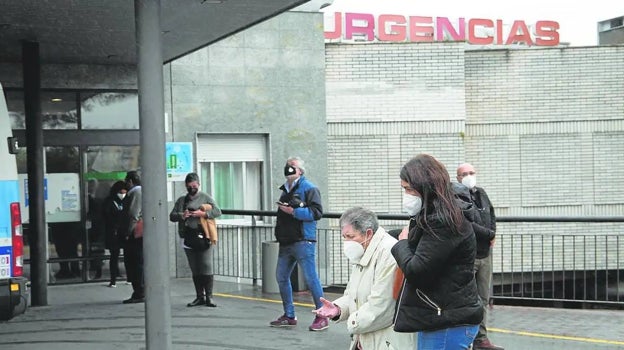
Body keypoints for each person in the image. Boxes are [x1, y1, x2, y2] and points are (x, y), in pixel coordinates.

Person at [391, 154, 483, 350]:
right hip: (442, 317)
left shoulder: (443, 222)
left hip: (447, 321)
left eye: (409, 189)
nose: (406, 195)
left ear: (425, 187)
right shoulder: (435, 215)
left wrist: (401, 244)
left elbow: (418, 271)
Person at [313, 207, 415, 349]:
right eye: (344, 237)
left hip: (387, 342)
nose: (347, 243)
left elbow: (382, 307)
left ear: (368, 233)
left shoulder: (389, 253)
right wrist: (338, 308)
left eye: (351, 237)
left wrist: (352, 323)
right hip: (365, 340)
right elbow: (353, 294)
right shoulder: (364, 250)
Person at [270, 156, 327, 331]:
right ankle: (289, 314)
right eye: (287, 166)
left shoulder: (310, 188)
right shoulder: (285, 190)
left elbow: (317, 212)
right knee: (281, 276)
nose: (288, 168)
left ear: (300, 171)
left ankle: (322, 316)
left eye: (292, 166)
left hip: (303, 240)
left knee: (311, 279)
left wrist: (294, 211)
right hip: (287, 241)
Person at [456, 163, 503, 350]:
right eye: (464, 174)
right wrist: (489, 234)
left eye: (471, 173)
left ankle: (481, 339)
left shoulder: (481, 193)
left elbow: (491, 214)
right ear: (458, 178)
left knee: (483, 298)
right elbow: (468, 225)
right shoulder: (457, 196)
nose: (469, 176)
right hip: (469, 255)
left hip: (485, 255)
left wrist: (493, 233)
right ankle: (466, 338)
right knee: (467, 299)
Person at [170, 172, 222, 307]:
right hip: (187, 236)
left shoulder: (206, 197)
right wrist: (183, 215)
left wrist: (203, 214)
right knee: (195, 268)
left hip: (203, 236)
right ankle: (199, 296)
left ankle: (209, 296)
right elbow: (172, 216)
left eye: (194, 186)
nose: (192, 188)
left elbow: (218, 211)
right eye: (189, 186)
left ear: (198, 184)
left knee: (206, 265)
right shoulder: (182, 200)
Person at [120, 171, 144, 304]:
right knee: (136, 263)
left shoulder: (136, 192)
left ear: (130, 181)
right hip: (137, 234)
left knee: (135, 263)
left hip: (135, 234)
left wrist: (128, 232)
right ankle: (139, 290)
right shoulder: (138, 192)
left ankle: (139, 291)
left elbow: (133, 214)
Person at [102, 180, 127, 288]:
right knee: (114, 255)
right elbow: (106, 216)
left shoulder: (127, 201)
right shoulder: (109, 202)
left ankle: (129, 277)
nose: (123, 195)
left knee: (128, 255)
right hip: (113, 232)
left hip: (124, 231)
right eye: (121, 192)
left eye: (124, 192)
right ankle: (113, 279)